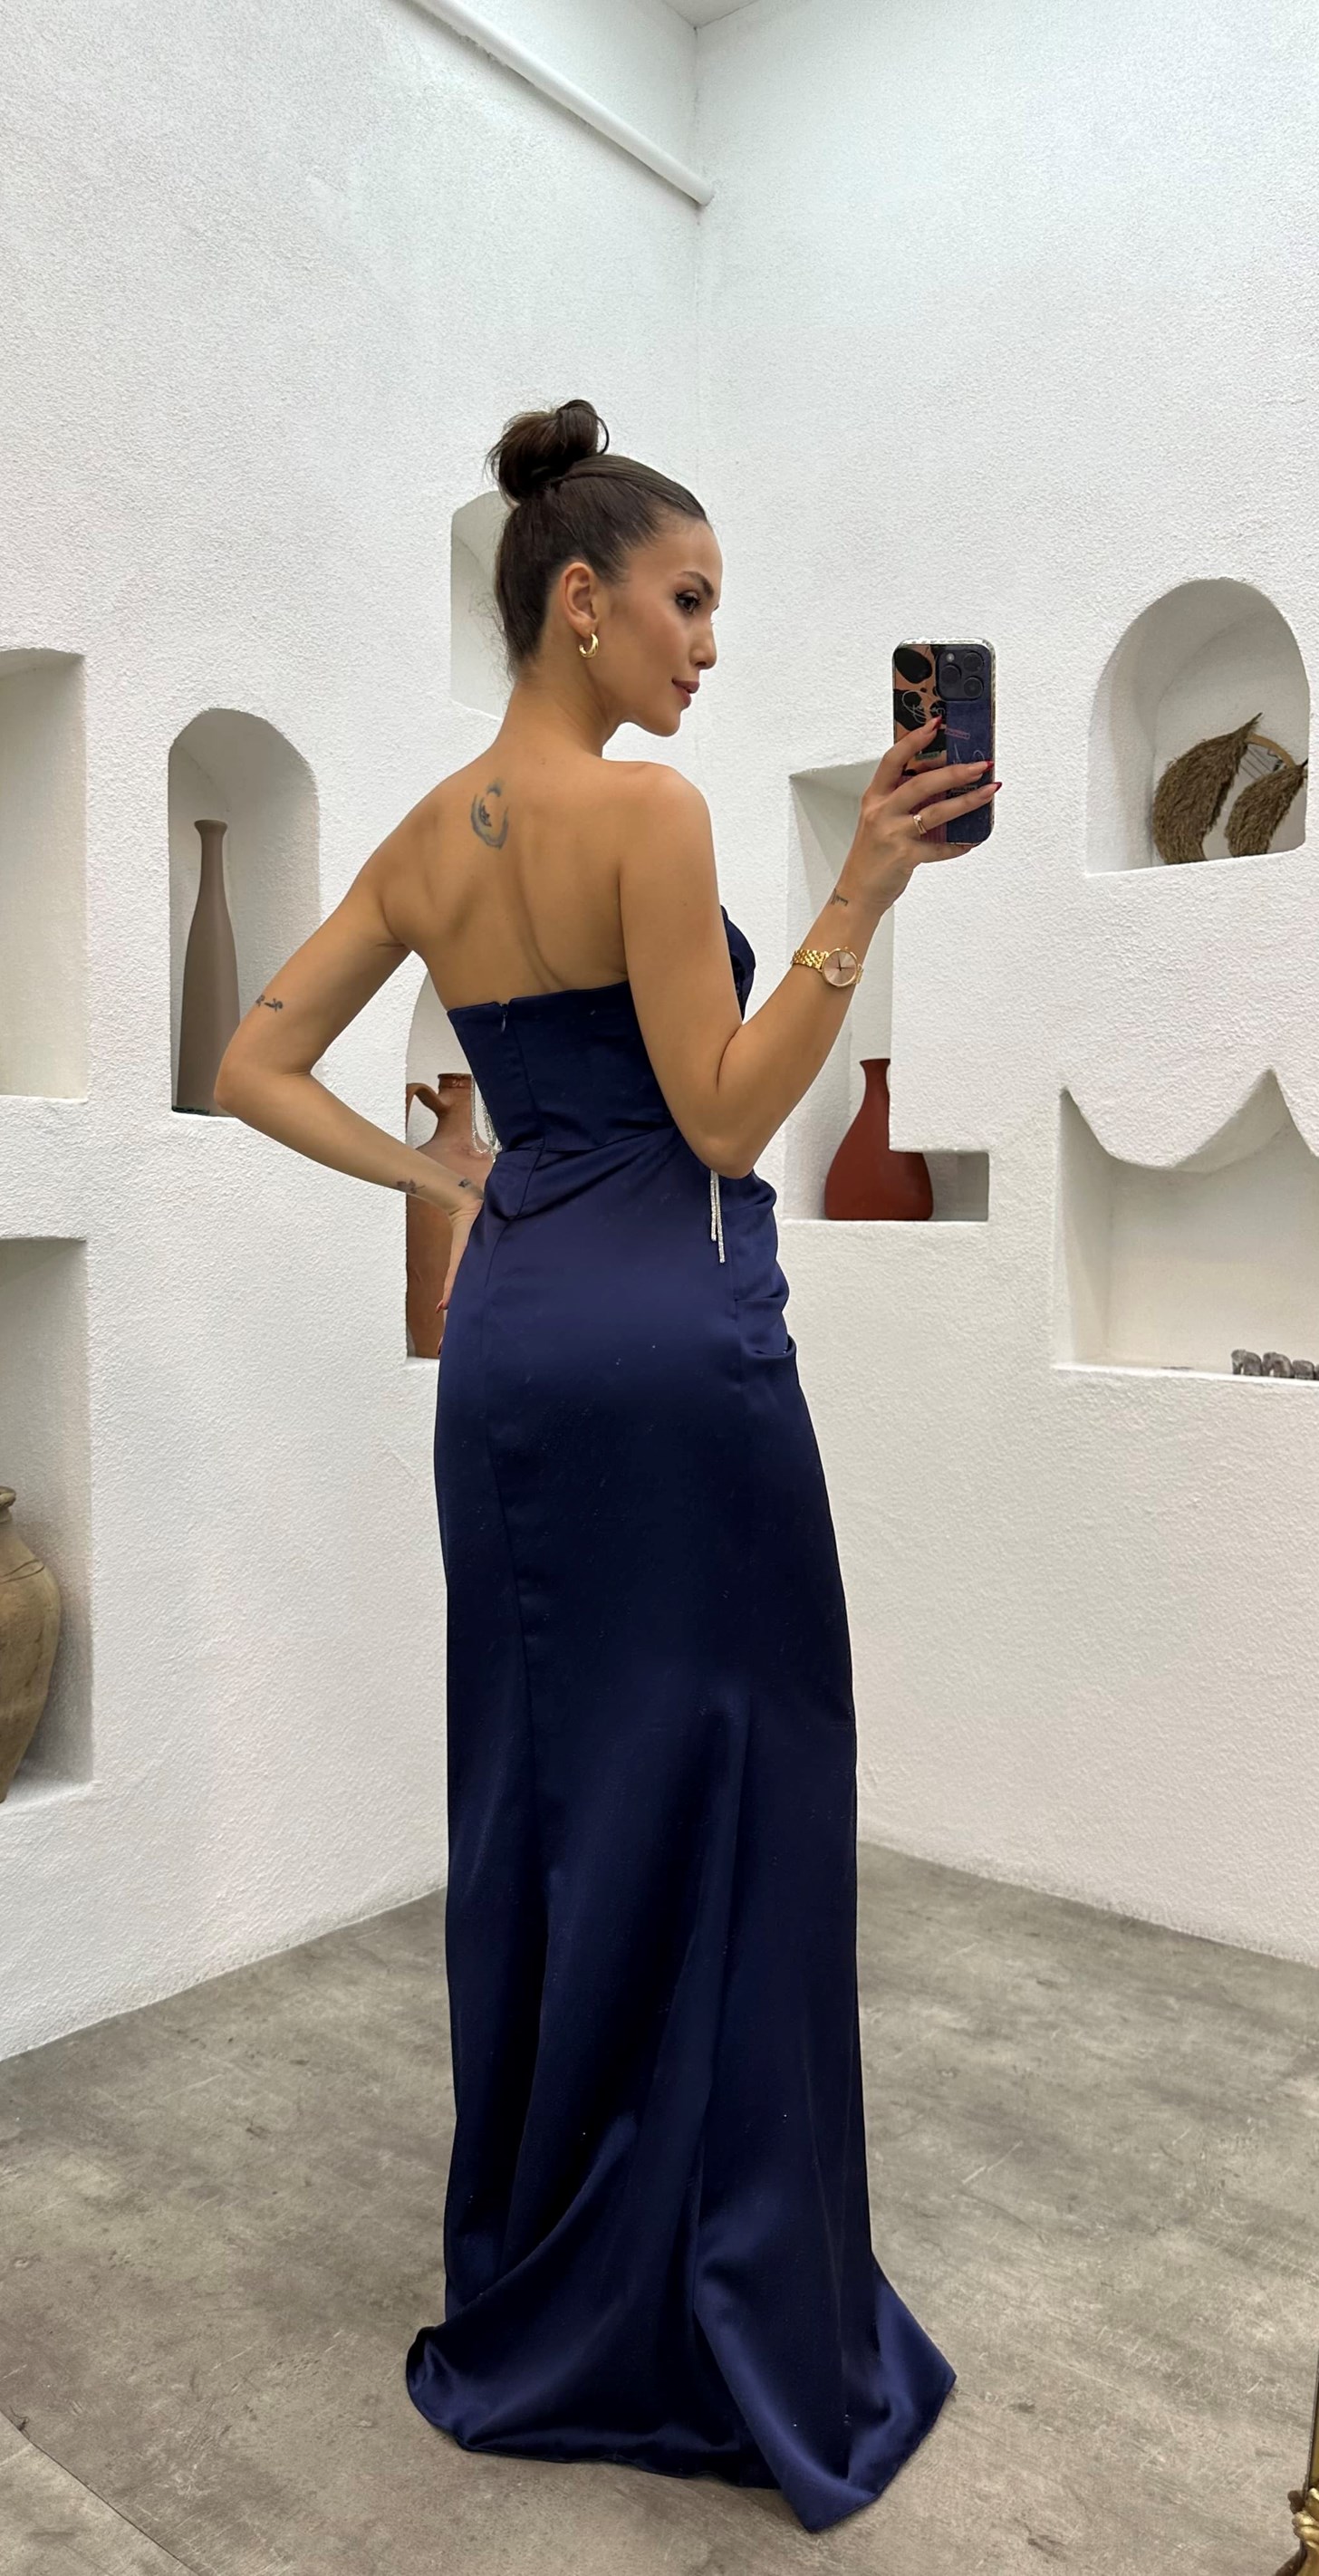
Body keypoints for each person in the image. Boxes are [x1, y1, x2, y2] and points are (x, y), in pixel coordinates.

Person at [213, 397, 999, 2534]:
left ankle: (542, 2271)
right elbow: (727, 1116)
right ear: (578, 602)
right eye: (686, 600)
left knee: (544, 1792)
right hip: (670, 1349)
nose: (707, 645)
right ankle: (711, 2298)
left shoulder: (424, 836)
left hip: (512, 1347)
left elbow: (251, 1058)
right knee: (733, 1781)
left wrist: (446, 1179)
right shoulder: (647, 815)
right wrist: (860, 888)